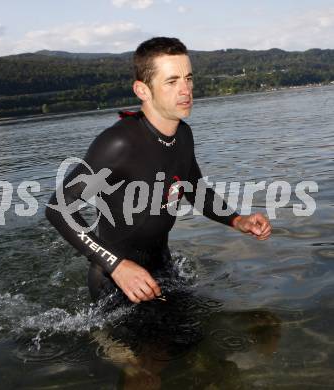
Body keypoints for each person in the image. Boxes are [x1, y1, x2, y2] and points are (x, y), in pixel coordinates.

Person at [45, 37, 271, 304]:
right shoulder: (119, 143)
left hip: (162, 268)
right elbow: (59, 207)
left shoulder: (183, 135)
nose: (185, 90)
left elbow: (196, 191)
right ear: (142, 90)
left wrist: (237, 220)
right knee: (156, 347)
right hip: (116, 281)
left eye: (188, 78)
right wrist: (117, 265)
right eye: (172, 81)